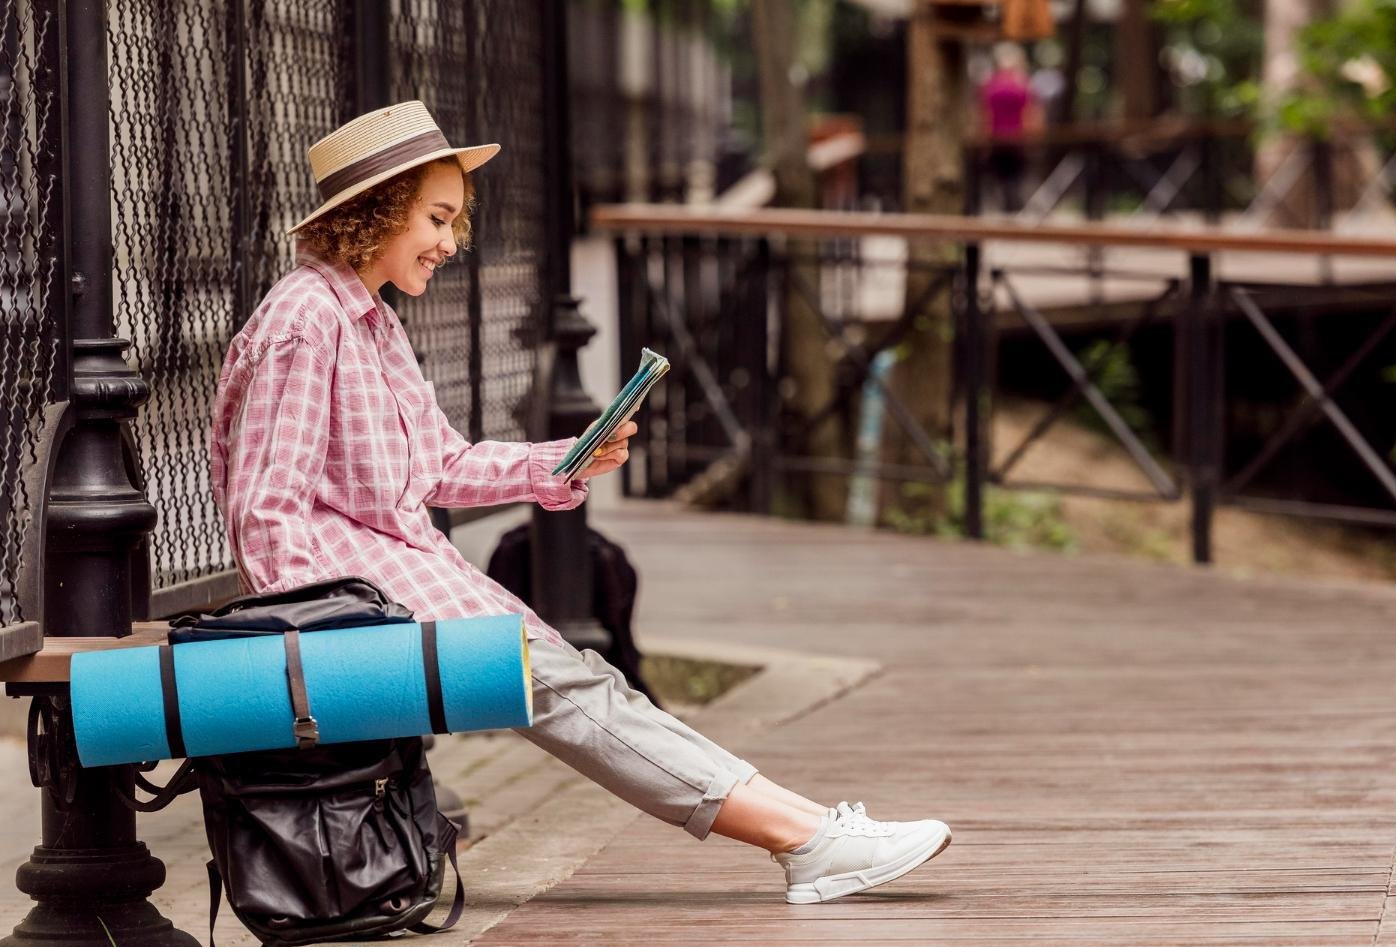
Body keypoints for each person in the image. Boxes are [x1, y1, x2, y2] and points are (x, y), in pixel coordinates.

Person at [209, 101, 951, 904]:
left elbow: (437, 463)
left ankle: (809, 828)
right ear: (377, 210)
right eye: (436, 217)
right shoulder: (305, 321)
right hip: (366, 622)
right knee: (573, 689)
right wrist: (327, 648)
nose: (451, 243)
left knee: (587, 683)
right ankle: (806, 839)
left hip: (405, 599)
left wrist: (563, 461)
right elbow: (266, 512)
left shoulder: (368, 319)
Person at [979, 43, 1035, 214]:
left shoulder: (990, 84)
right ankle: (1013, 206)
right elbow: (1030, 112)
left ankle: (1005, 205)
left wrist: (985, 134)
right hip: (1017, 138)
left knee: (1001, 174)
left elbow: (985, 113)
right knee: (1015, 175)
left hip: (997, 138)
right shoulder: (1022, 83)